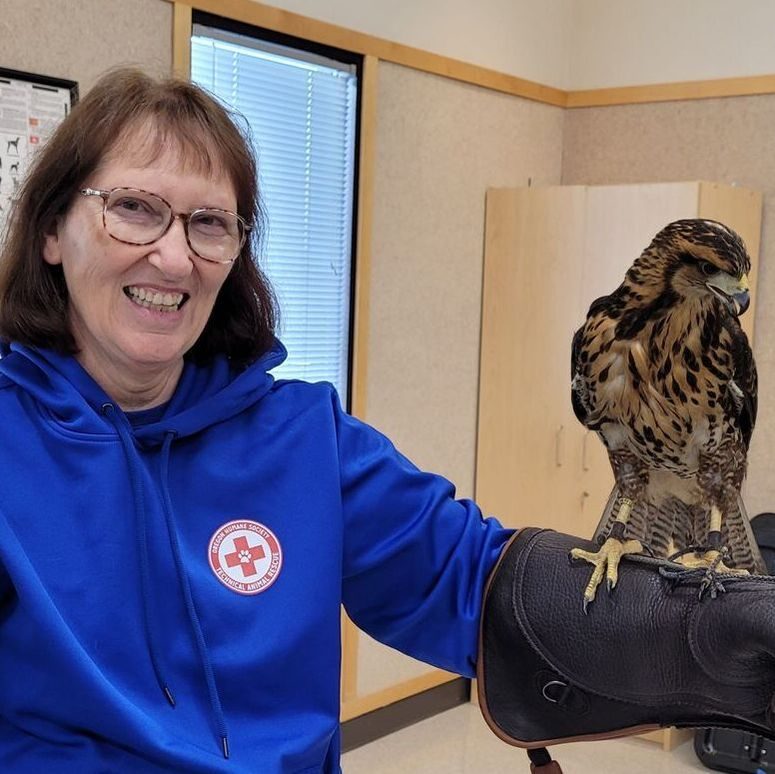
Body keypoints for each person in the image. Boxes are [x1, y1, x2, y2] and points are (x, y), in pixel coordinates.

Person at [2, 67, 775, 774]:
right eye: (134, 210)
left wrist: (718, 634)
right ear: (51, 231)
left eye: (210, 224)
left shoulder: (305, 438)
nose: (174, 259)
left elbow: (477, 585)